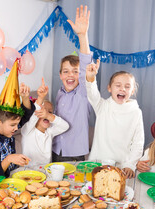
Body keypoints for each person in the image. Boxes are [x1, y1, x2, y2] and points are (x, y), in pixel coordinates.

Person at [85, 66, 144, 178]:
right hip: (97, 163)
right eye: (118, 85)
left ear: (132, 91)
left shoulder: (136, 113)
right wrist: (90, 78)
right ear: (109, 88)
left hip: (121, 167)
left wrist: (130, 164)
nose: (122, 89)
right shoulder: (102, 106)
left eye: (127, 87)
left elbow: (138, 142)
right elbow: (92, 94)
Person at [52, 5, 93, 162]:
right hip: (56, 148)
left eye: (75, 72)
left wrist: (82, 36)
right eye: (66, 71)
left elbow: (85, 65)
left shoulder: (83, 92)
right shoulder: (60, 92)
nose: (70, 75)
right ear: (61, 75)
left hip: (75, 152)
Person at [0, 59, 35, 177]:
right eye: (13, 125)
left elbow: (26, 115)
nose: (16, 128)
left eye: (17, 124)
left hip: (13, 175)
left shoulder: (7, 128)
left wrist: (25, 98)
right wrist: (9, 159)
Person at [21, 78, 69, 167]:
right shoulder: (27, 131)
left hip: (45, 170)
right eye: (43, 111)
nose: (45, 114)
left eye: (49, 112)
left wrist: (48, 116)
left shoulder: (49, 132)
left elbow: (65, 126)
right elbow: (33, 116)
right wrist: (41, 97)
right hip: (28, 172)